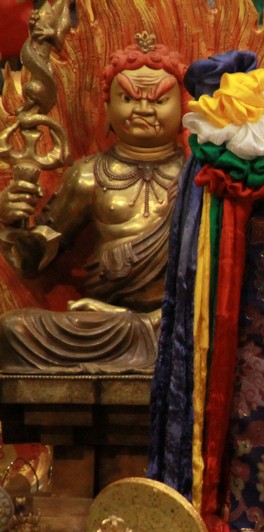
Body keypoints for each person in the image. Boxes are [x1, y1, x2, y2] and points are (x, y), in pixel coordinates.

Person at [0, 35, 186, 372]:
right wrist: (12, 220)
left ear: (183, 108)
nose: (143, 110)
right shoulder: (88, 175)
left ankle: (148, 329)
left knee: (213, 333)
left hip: (174, 321)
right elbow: (34, 260)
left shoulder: (199, 176)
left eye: (159, 100)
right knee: (14, 330)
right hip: (105, 325)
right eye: (128, 98)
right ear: (107, 107)